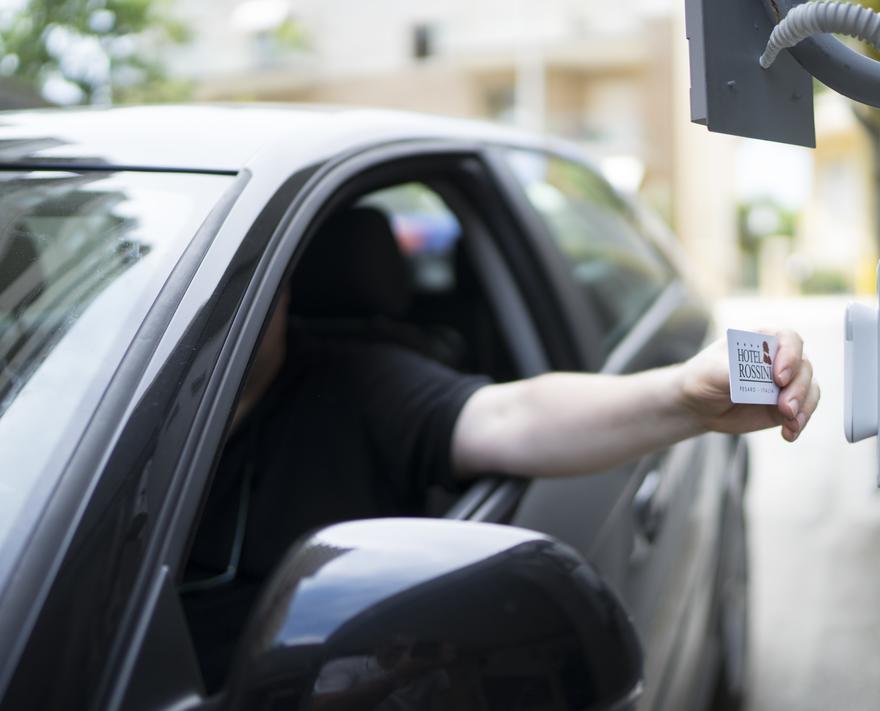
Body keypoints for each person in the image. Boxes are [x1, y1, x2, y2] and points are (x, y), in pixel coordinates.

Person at [182, 208, 820, 688]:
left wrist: (681, 397)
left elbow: (511, 416)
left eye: (238, 286)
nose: (206, 315)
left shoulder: (358, 385)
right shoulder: (118, 409)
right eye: (186, 289)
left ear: (282, 289)